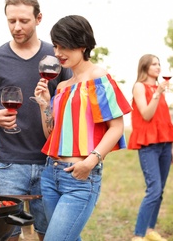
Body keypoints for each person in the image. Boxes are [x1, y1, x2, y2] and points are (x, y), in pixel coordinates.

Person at [0, 0, 72, 241]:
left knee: (49, 235)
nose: (16, 27)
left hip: (51, 163)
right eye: (11, 21)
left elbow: (71, 107)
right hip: (7, 164)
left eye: (24, 21)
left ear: (39, 19)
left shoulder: (58, 57)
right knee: (6, 235)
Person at [33, 15, 132, 241]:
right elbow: (52, 134)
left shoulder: (98, 77)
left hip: (79, 178)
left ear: (82, 44)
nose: (58, 52)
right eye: (56, 45)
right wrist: (45, 106)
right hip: (50, 174)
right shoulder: (62, 87)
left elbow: (116, 128)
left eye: (64, 45)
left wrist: (90, 162)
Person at [127, 54, 173, 241]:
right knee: (154, 190)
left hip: (165, 145)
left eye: (159, 63)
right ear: (145, 67)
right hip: (149, 146)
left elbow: (164, 119)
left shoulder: (158, 88)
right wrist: (157, 94)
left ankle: (150, 231)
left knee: (160, 191)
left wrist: (171, 145)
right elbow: (147, 115)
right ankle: (138, 235)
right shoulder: (139, 87)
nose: (158, 67)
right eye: (154, 64)